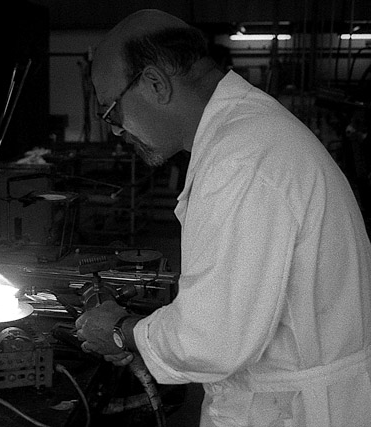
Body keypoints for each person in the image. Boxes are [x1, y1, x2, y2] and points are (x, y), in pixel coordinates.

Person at [75, 9, 371, 427]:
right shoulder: (249, 134)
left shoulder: (240, 160)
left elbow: (214, 340)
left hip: (293, 411)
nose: (117, 132)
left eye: (112, 114)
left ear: (156, 84)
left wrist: (124, 329)